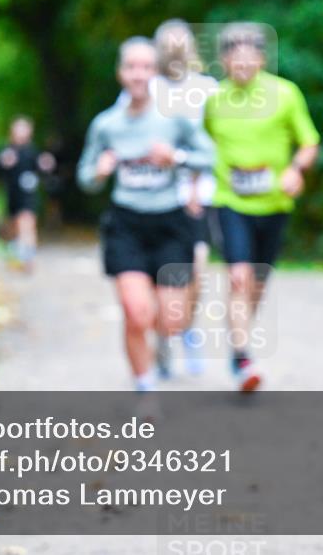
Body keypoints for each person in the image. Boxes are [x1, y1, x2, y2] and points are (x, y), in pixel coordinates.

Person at [77, 37, 215, 392]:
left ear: (155, 72)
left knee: (170, 320)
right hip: (126, 224)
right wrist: (99, 170)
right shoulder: (106, 124)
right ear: (120, 73)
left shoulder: (175, 120)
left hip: (170, 222)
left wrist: (177, 158)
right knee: (136, 313)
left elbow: (210, 159)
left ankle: (166, 346)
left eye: (146, 67)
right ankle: (145, 386)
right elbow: (84, 176)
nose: (138, 75)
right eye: (131, 67)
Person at [204, 23, 320, 392]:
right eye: (233, 56)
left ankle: (239, 344)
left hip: (274, 203)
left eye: (248, 55)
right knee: (238, 276)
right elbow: (201, 143)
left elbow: (308, 142)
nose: (241, 63)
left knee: (257, 282)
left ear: (261, 58)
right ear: (223, 60)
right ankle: (242, 357)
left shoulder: (285, 94)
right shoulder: (214, 101)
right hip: (230, 201)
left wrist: (296, 169)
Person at [149, 19, 220, 379]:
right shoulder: (147, 87)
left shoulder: (206, 89)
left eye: (181, 42)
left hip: (197, 195)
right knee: (160, 276)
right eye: (168, 43)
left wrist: (194, 185)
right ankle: (162, 338)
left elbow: (212, 141)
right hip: (154, 195)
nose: (174, 49)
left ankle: (188, 329)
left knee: (197, 270)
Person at [0, 117, 56, 270]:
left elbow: (42, 167)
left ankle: (28, 259)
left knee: (27, 222)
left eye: (24, 128)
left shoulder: (32, 151)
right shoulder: (6, 151)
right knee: (14, 227)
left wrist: (46, 164)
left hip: (28, 194)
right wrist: (2, 163)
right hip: (12, 194)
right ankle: (16, 257)